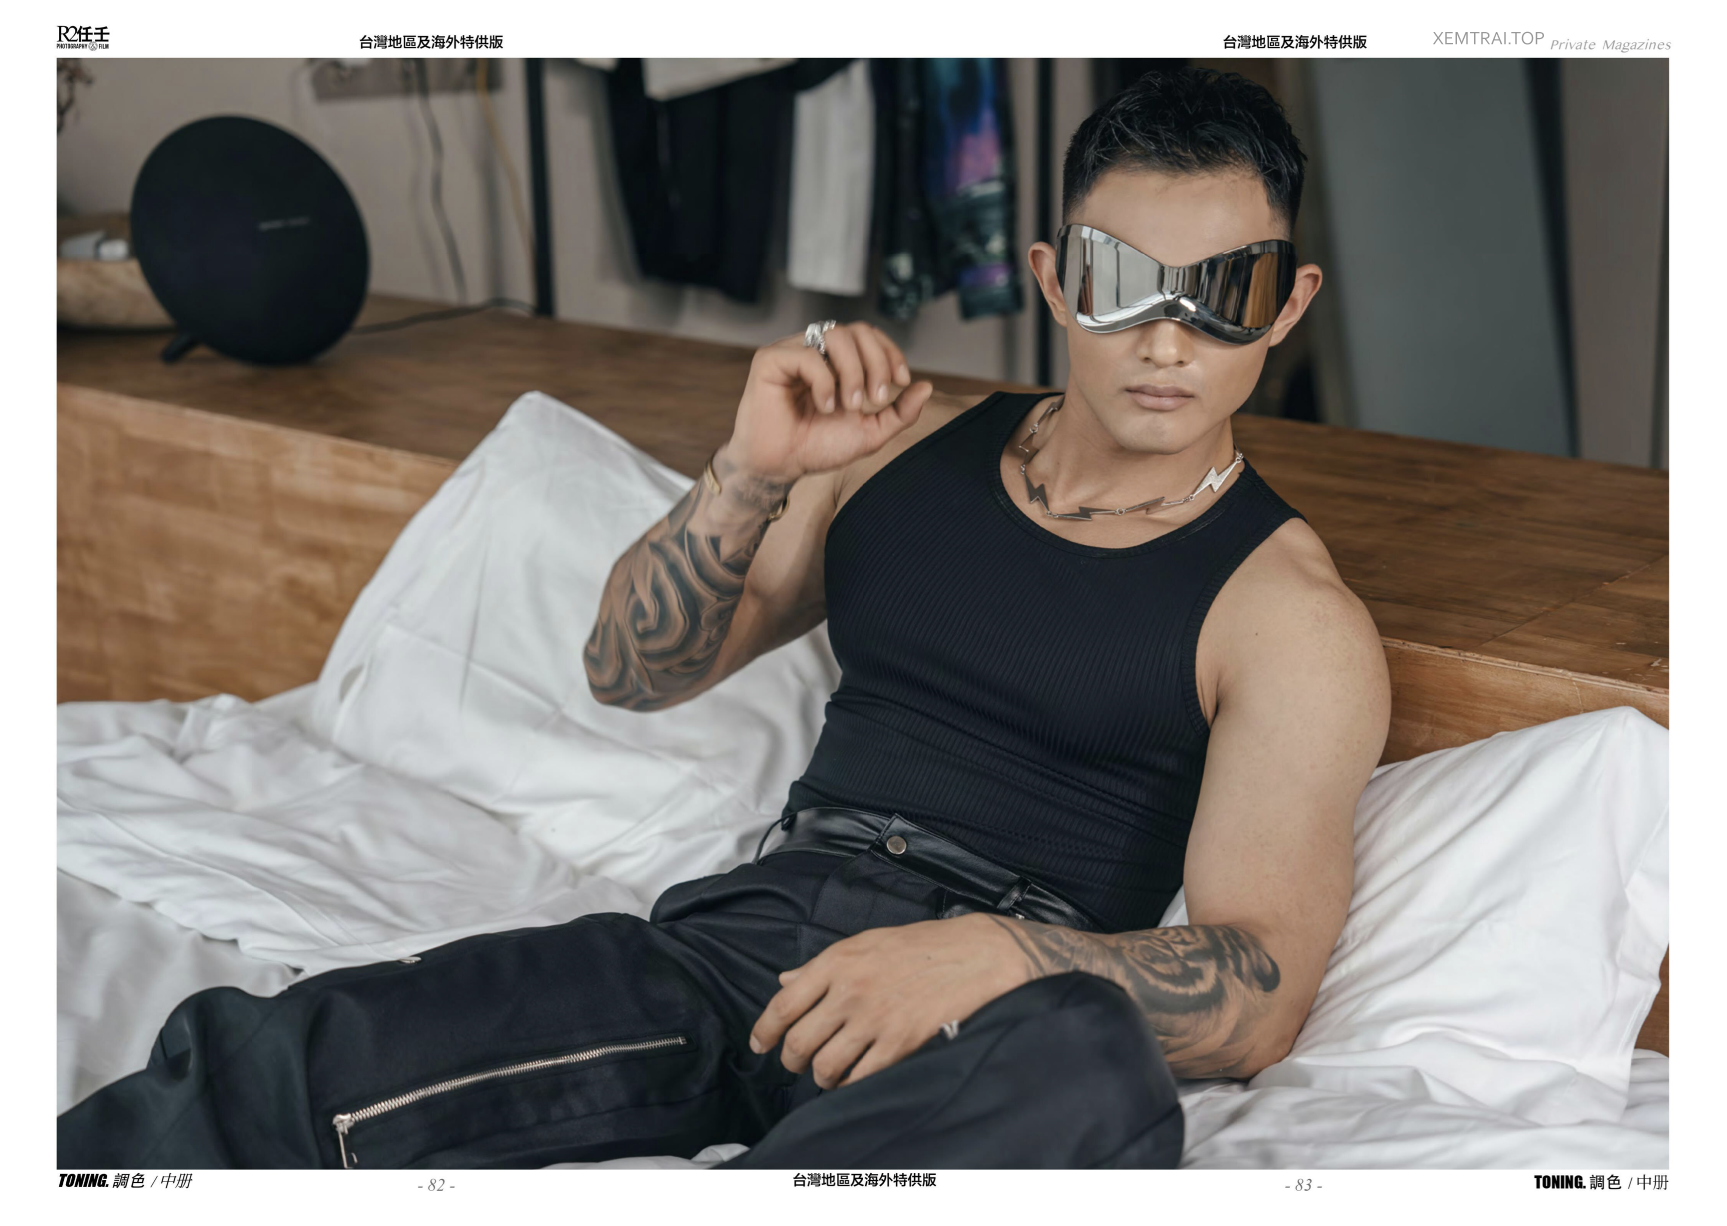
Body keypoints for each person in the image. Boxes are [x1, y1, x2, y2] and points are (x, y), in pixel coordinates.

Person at [58, 66, 1388, 1170]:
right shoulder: (897, 448)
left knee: (1091, 1068)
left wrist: (988, 956)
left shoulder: (1287, 614)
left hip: (994, 1012)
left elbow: (1259, 991)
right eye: (1122, 279)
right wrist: (751, 471)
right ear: (1051, 278)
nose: (1167, 339)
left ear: (1289, 302)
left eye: (1221, 292)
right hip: (742, 949)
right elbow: (629, 670)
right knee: (303, 1049)